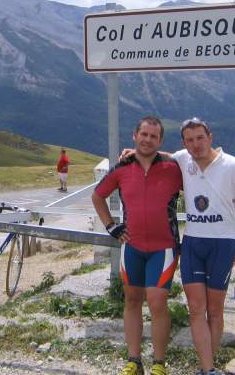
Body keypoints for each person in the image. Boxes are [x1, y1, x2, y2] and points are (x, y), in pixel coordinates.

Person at [121, 117, 235, 375]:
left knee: (215, 310)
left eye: (200, 138)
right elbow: (163, 155)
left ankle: (209, 365)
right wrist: (135, 151)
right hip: (193, 242)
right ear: (184, 142)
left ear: (210, 137)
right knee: (196, 308)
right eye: (190, 140)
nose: (196, 145)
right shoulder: (184, 159)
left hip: (222, 243)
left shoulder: (234, 166)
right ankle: (207, 369)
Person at [92, 116, 183, 375]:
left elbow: (201, 179)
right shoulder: (121, 168)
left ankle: (159, 363)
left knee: (157, 302)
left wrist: (233, 199)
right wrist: (112, 227)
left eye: (153, 136)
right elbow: (97, 196)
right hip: (131, 246)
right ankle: (134, 360)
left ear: (160, 141)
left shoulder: (173, 168)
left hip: (164, 247)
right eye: (144, 134)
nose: (147, 140)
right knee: (132, 300)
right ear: (135, 135)